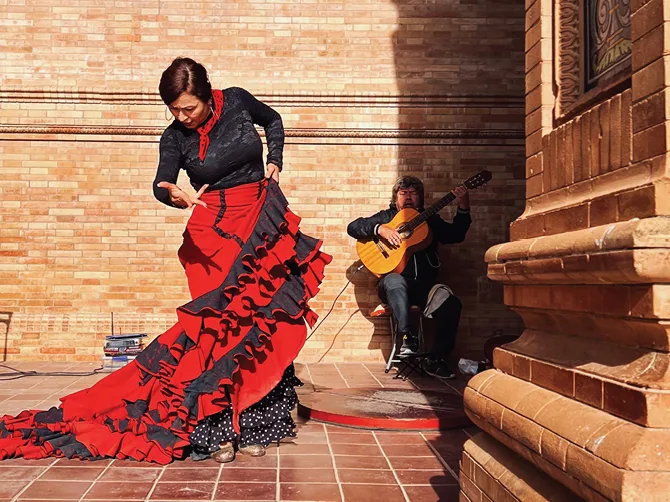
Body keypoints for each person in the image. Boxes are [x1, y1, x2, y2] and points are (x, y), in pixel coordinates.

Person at [0, 58, 331, 465]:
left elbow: (274, 120)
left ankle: (257, 425)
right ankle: (218, 429)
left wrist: (276, 160)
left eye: (188, 108)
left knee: (262, 322)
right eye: (174, 109)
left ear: (209, 97)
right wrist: (170, 193)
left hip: (261, 219)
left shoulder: (240, 102)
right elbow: (163, 180)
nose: (181, 116)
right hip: (213, 231)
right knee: (218, 332)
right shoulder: (174, 137)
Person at [347, 175, 470, 379]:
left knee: (452, 304)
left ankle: (436, 359)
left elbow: (455, 234)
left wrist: (463, 206)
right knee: (395, 281)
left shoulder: (429, 220)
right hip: (392, 285)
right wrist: (380, 229)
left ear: (420, 199)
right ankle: (407, 337)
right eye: (403, 193)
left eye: (414, 194)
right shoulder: (387, 217)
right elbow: (354, 227)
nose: (409, 197)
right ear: (395, 198)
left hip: (424, 287)